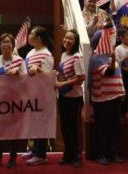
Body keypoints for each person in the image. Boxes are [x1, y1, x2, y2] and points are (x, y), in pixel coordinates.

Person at [0, 32, 27, 169]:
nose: (6, 45)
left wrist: (18, 75)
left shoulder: (20, 61)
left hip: (15, 101)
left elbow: (27, 82)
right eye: (3, 42)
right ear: (0, 45)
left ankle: (13, 158)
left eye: (8, 42)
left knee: (13, 131)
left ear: (13, 45)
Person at [87, 28, 125, 166]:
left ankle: (113, 152)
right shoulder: (96, 57)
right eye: (107, 39)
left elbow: (118, 75)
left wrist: (122, 92)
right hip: (102, 98)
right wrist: (114, 58)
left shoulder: (110, 54)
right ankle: (101, 154)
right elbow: (109, 72)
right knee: (102, 127)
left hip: (115, 96)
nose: (111, 41)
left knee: (114, 126)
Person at [23, 26, 54, 166]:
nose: (29, 36)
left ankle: (41, 155)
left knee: (41, 123)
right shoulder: (30, 52)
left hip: (42, 94)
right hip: (31, 92)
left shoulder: (46, 54)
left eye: (31, 34)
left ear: (39, 38)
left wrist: (38, 69)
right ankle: (35, 150)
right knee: (34, 123)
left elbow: (48, 77)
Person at [55, 29, 85, 167]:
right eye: (66, 38)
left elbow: (81, 78)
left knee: (74, 128)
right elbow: (63, 74)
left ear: (75, 42)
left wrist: (62, 83)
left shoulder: (77, 57)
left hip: (74, 97)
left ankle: (77, 155)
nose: (67, 41)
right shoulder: (63, 55)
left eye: (70, 39)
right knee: (65, 127)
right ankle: (68, 154)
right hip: (63, 96)